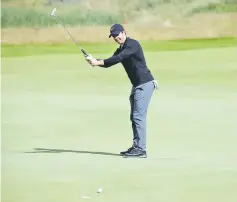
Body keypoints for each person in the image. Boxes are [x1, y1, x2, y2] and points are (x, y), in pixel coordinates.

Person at [86, 24, 158, 158]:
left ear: (124, 32)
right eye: (113, 36)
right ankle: (136, 146)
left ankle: (141, 150)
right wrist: (95, 61)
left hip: (145, 84)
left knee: (138, 117)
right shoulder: (121, 48)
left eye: (118, 34)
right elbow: (109, 62)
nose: (116, 38)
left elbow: (119, 58)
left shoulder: (132, 44)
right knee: (134, 117)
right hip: (137, 85)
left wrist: (97, 62)